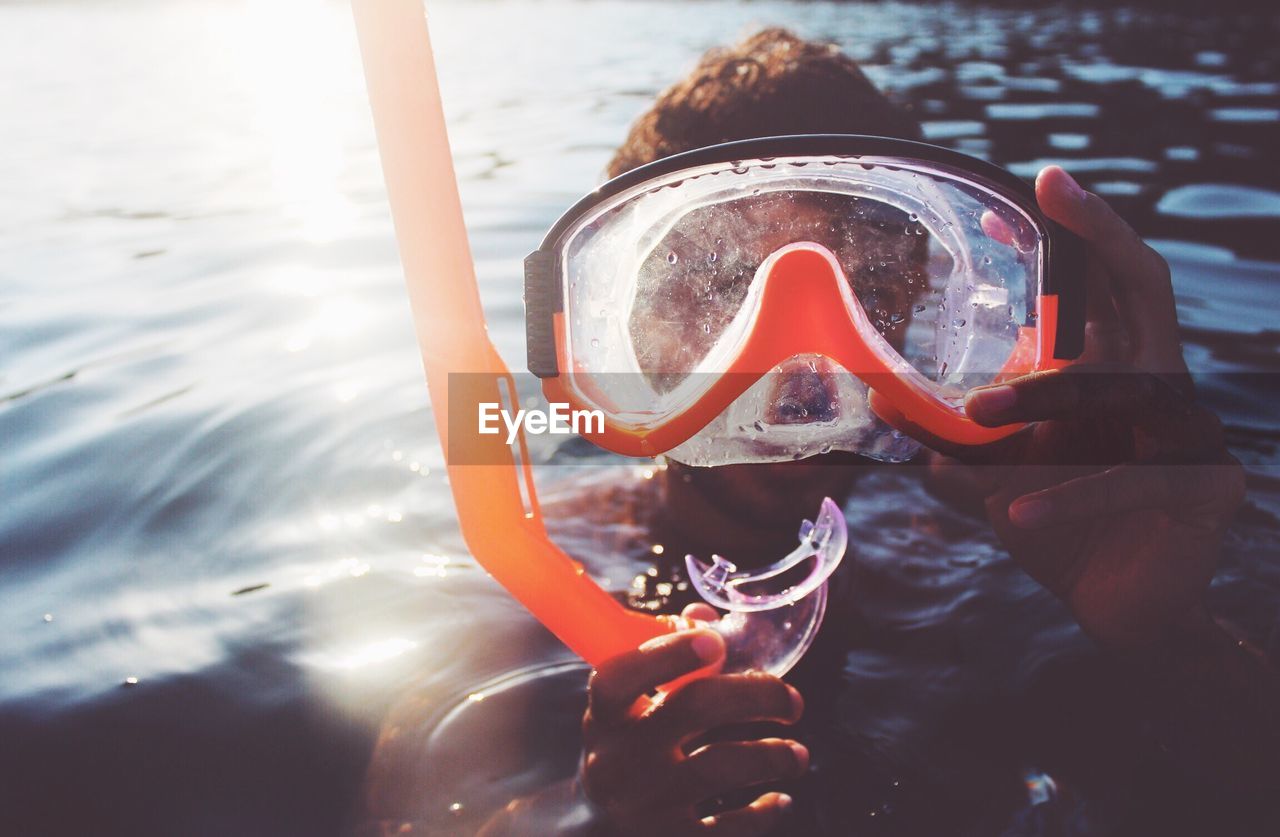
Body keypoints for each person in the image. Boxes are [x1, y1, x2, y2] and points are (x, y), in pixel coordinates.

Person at [475, 28, 1280, 836]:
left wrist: (1173, 640)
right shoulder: (515, 602)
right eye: (721, 287)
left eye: (867, 289)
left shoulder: (973, 548)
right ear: (627, 327)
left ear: (920, 309)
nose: (798, 376)